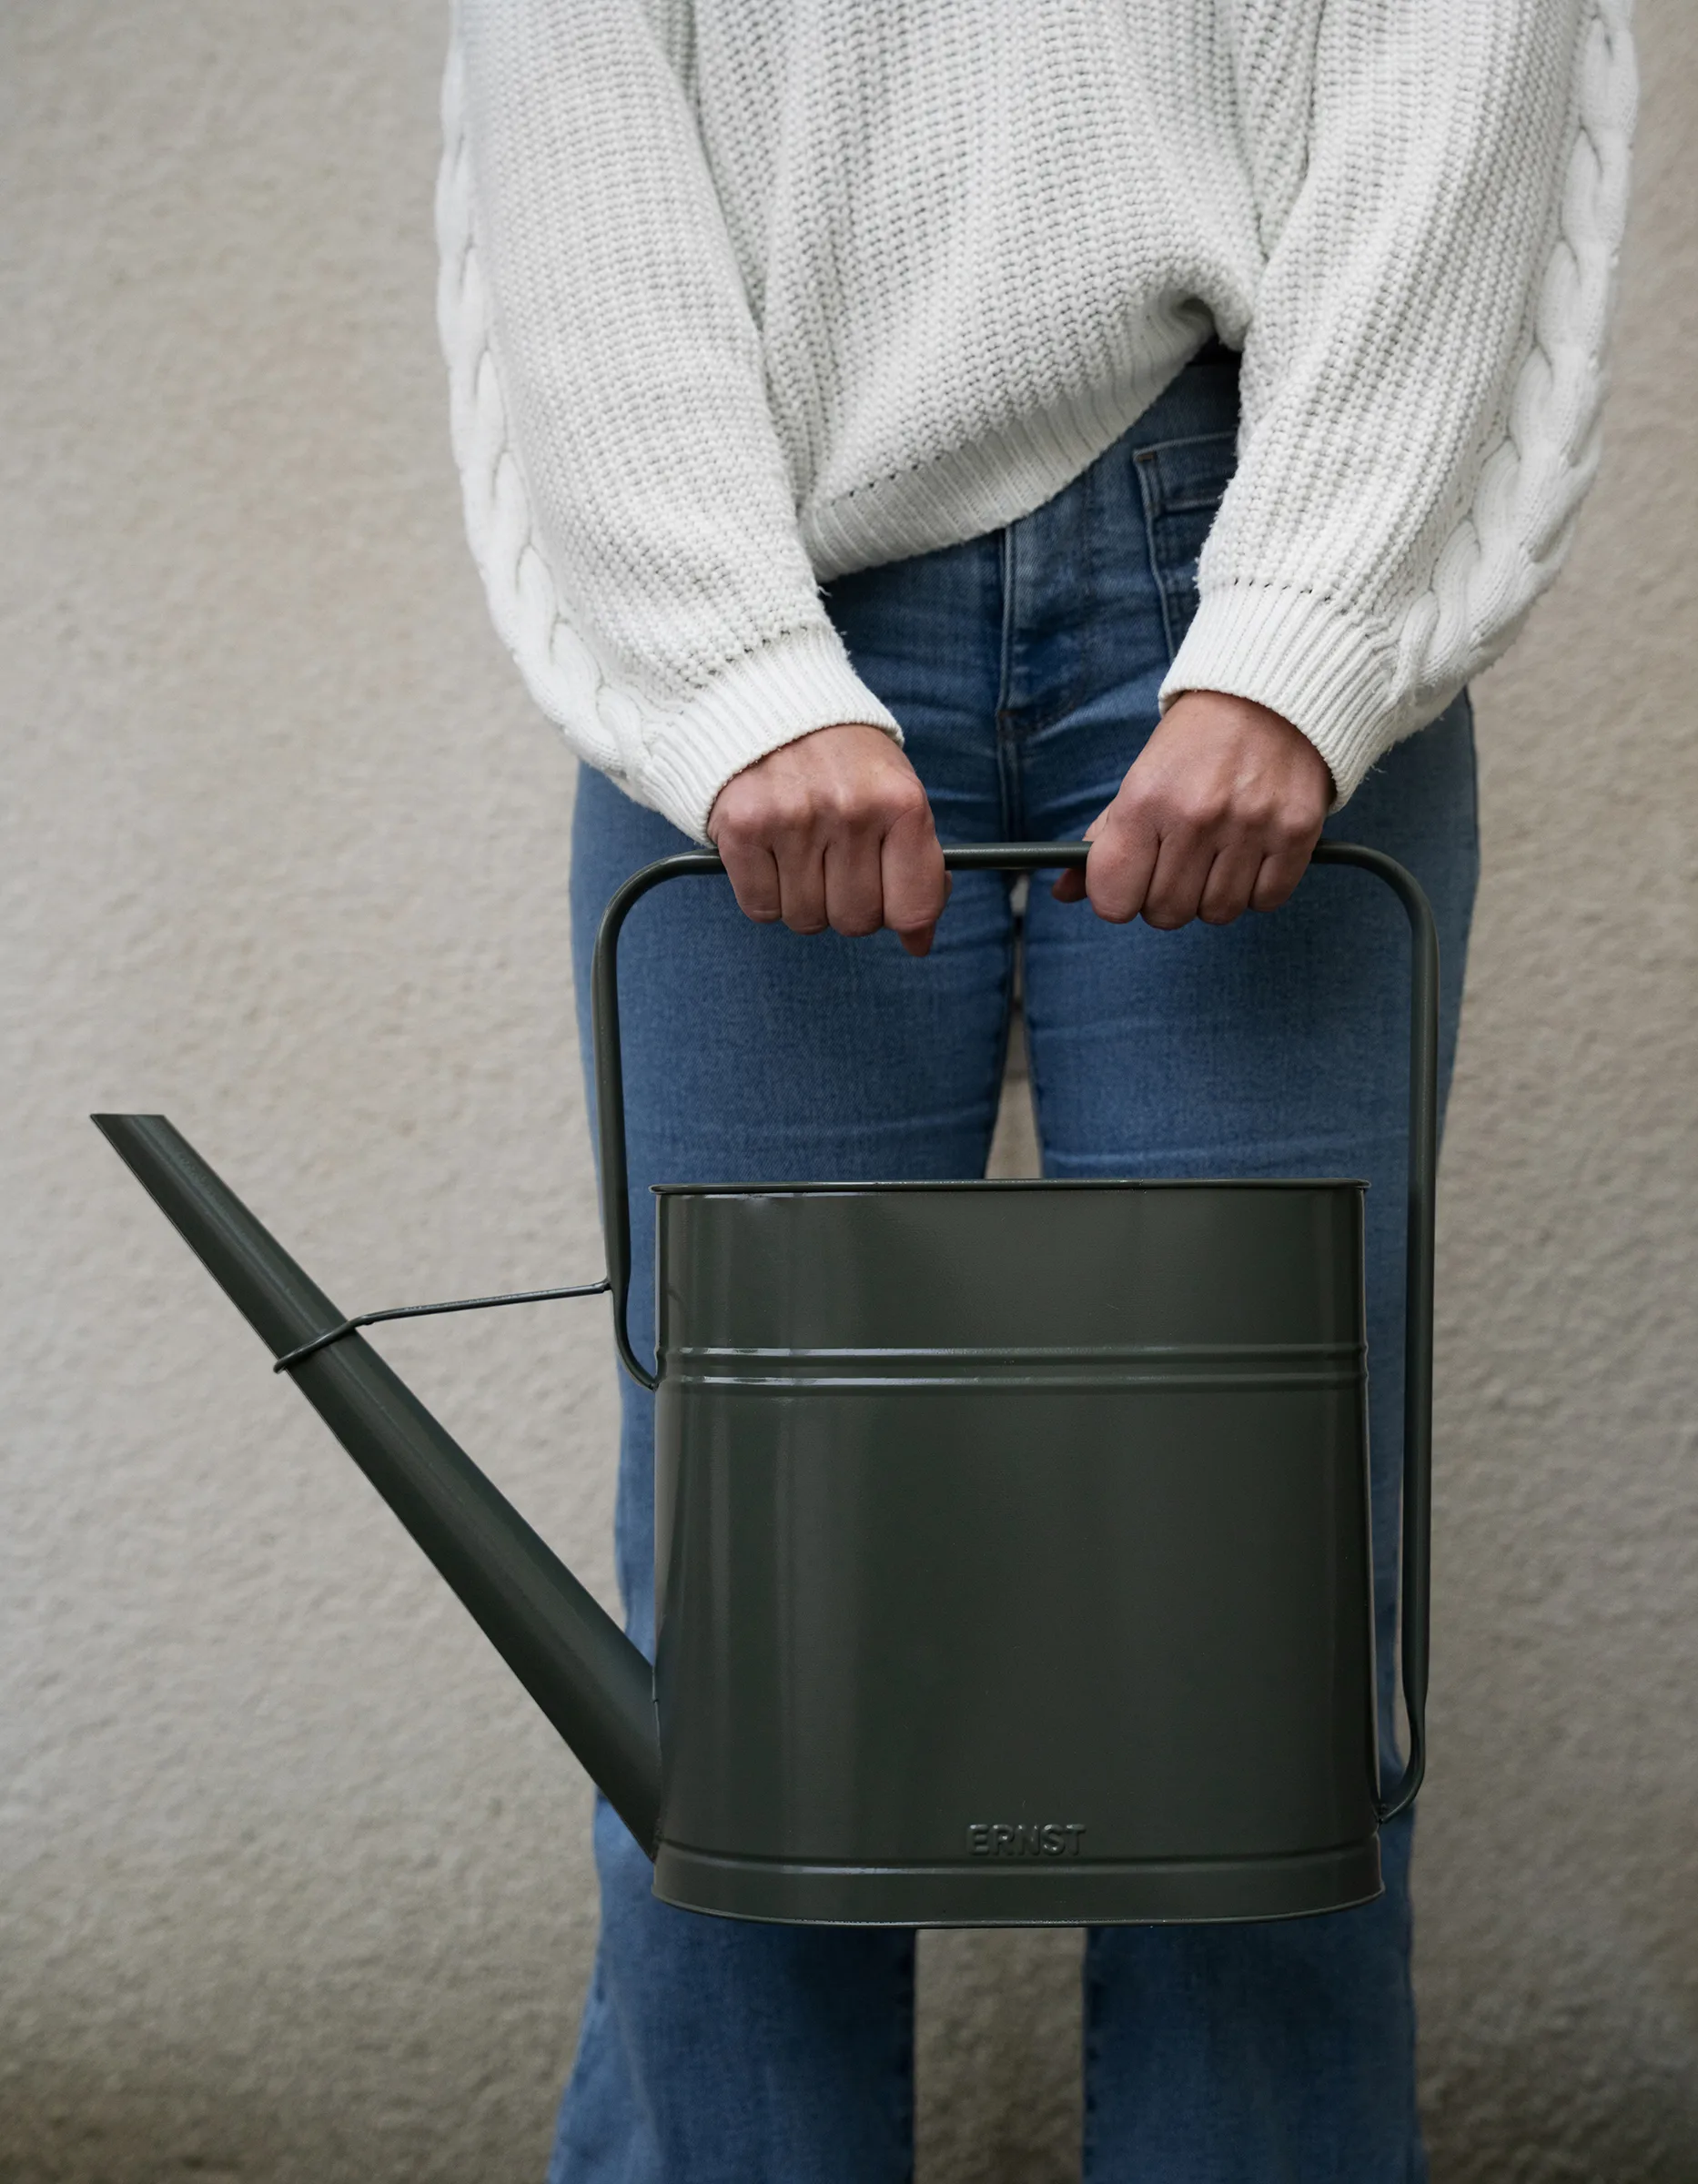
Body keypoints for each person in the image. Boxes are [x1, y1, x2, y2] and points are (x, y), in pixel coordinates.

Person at [437, 6, 1634, 2178]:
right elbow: (571, 109)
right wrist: (722, 662)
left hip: (1244, 575)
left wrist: (1308, 623)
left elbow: (1462, 74)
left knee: (1252, 1672)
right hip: (767, 586)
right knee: (744, 1675)